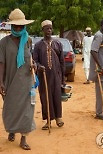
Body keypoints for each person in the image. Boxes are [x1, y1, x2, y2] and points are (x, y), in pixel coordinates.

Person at [0, 8, 36, 150]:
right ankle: (12, 130)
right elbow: (1, 63)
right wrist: (1, 82)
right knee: (11, 108)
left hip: (26, 81)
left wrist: (34, 65)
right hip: (10, 80)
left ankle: (23, 138)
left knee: (27, 109)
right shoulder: (4, 43)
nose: (19, 28)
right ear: (11, 26)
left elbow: (30, 58)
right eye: (16, 25)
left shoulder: (27, 40)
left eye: (21, 25)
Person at [33, 20, 65, 130]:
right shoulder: (38, 45)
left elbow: (62, 62)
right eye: (47, 28)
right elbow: (35, 61)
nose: (49, 30)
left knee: (56, 96)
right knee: (45, 97)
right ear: (43, 30)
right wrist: (39, 66)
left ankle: (58, 118)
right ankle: (48, 121)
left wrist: (63, 79)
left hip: (56, 76)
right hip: (44, 77)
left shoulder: (58, 44)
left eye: (51, 28)